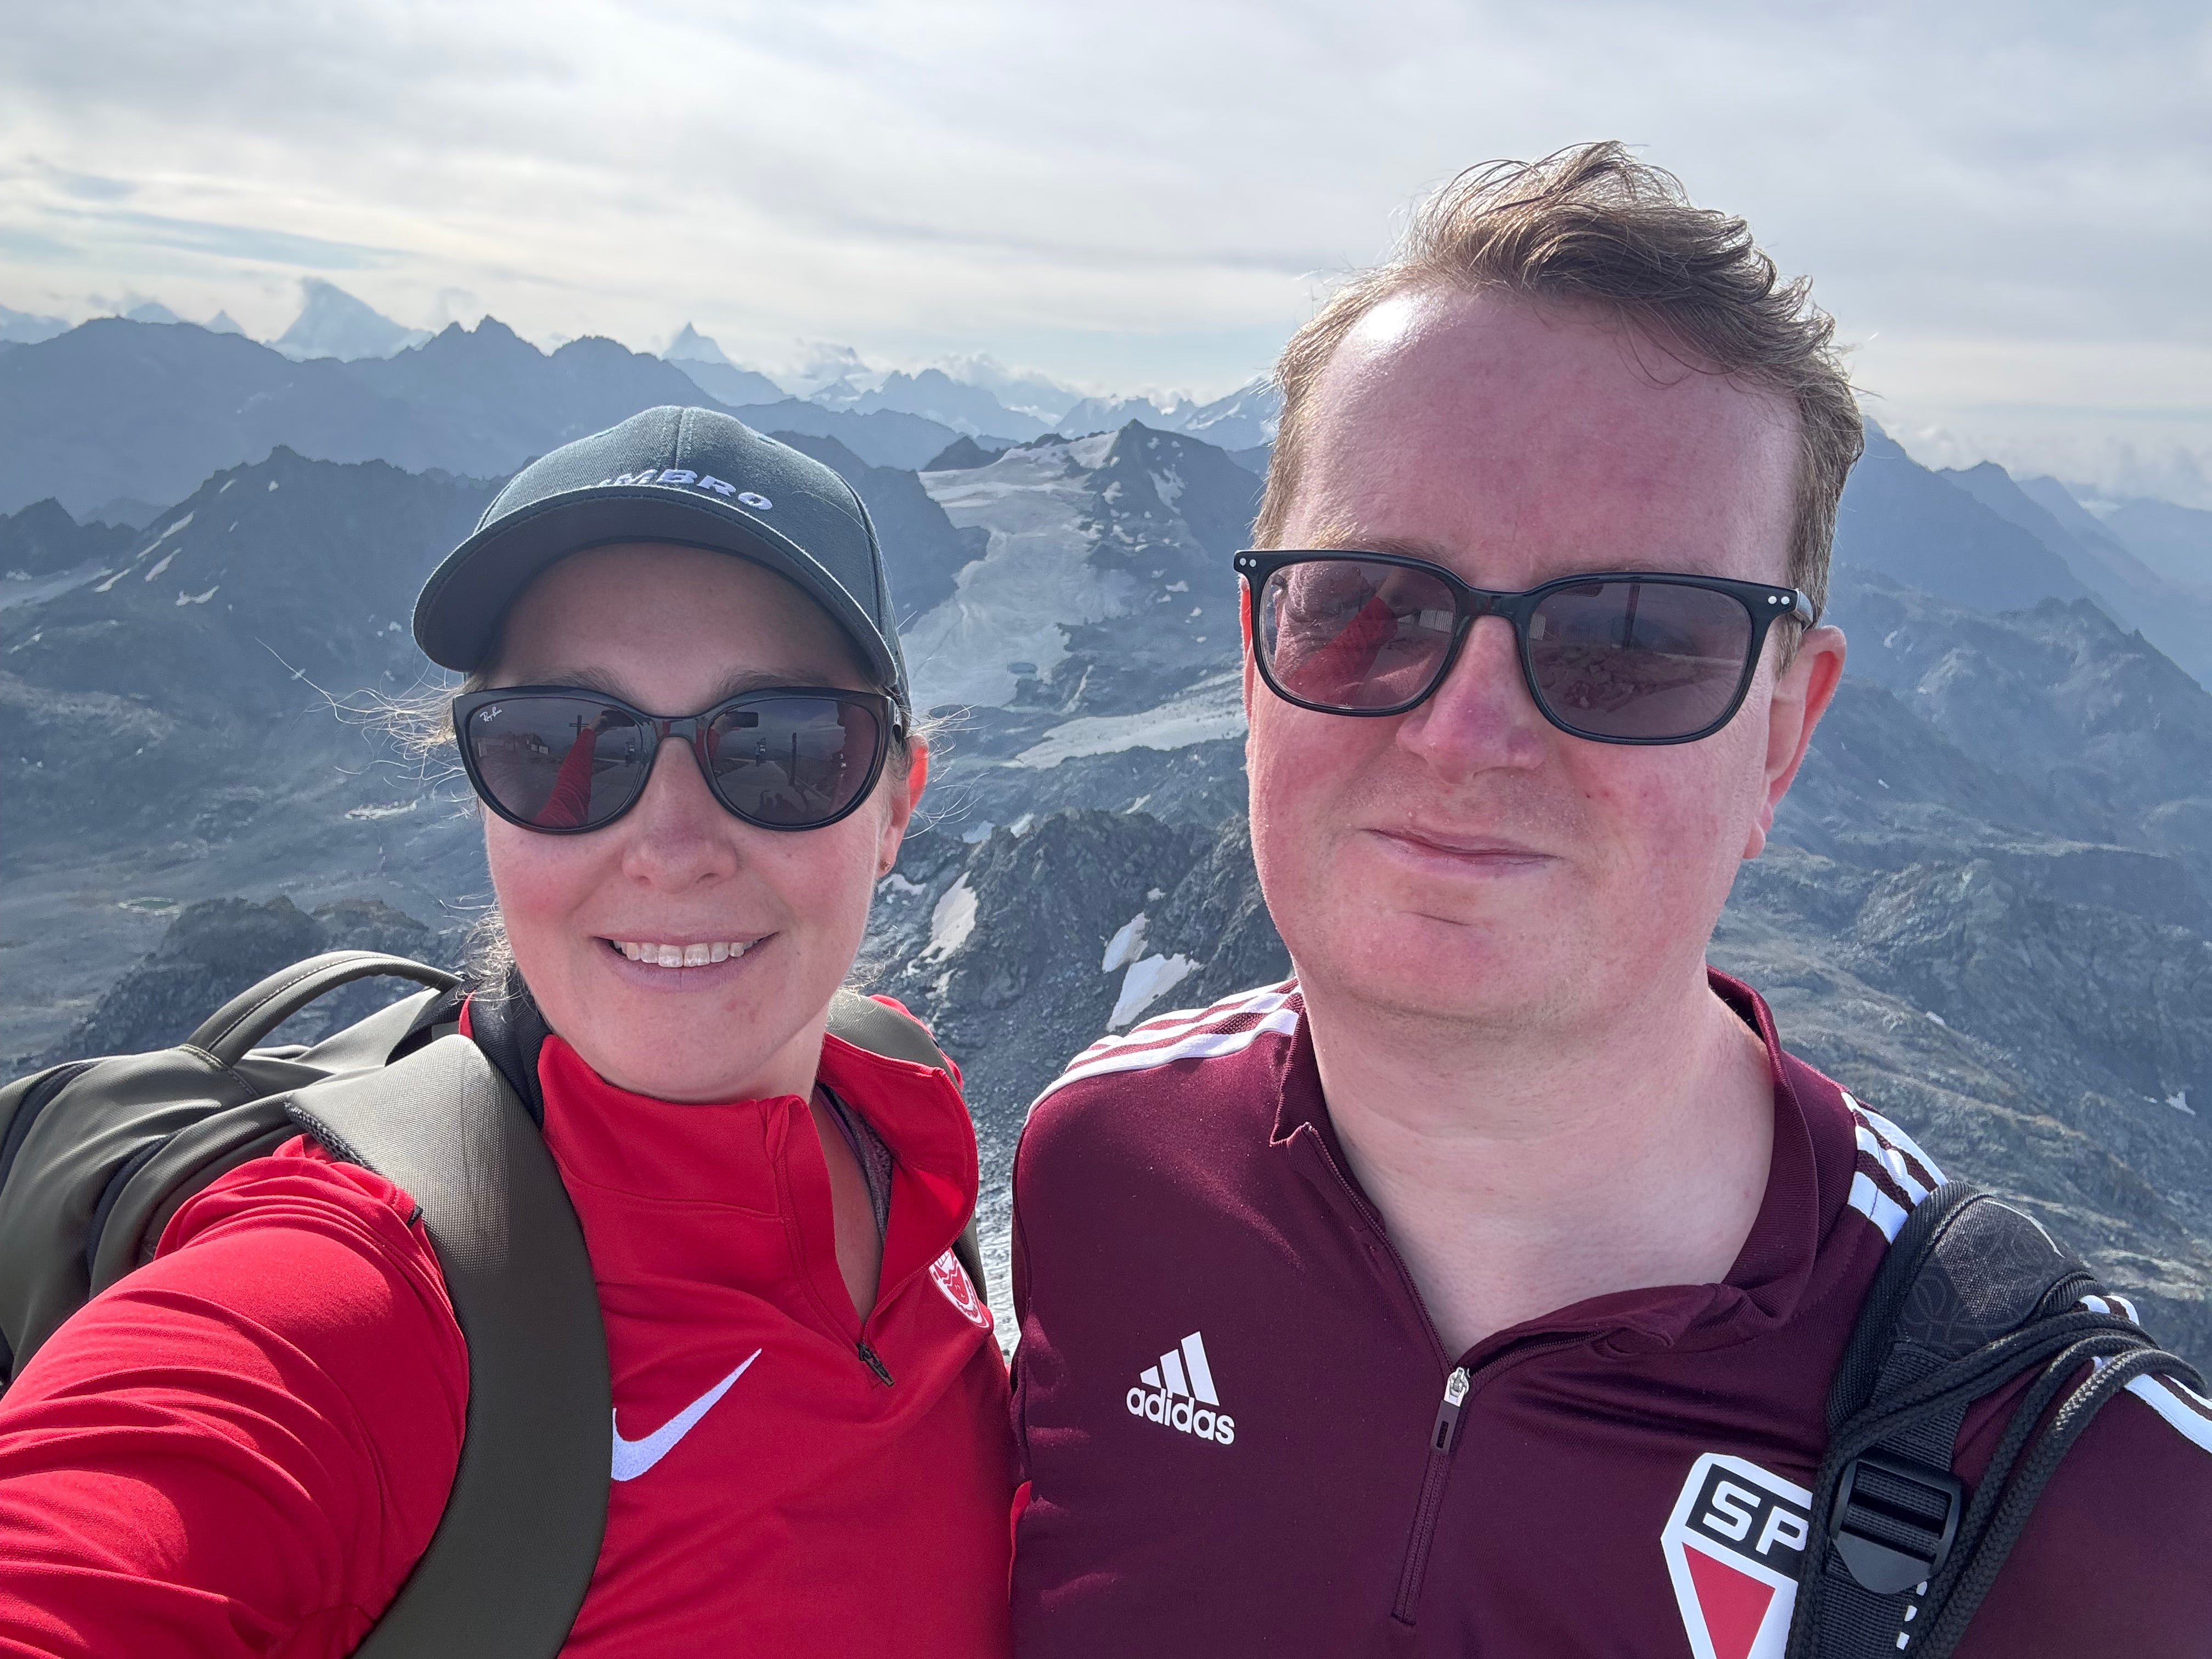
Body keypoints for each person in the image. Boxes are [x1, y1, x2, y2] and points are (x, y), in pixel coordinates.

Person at [1006, 145, 2212, 1655]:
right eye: (1366, 607)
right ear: (1257, 661)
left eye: (1635, 642)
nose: (1461, 729)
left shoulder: (2101, 1501)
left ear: (1782, 733)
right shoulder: (1099, 1175)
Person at [0, 407, 1017, 1656]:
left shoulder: (900, 1113)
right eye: (565, 749)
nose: (674, 848)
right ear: (485, 793)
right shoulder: (360, 1290)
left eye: (787, 745)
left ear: (897, 805)